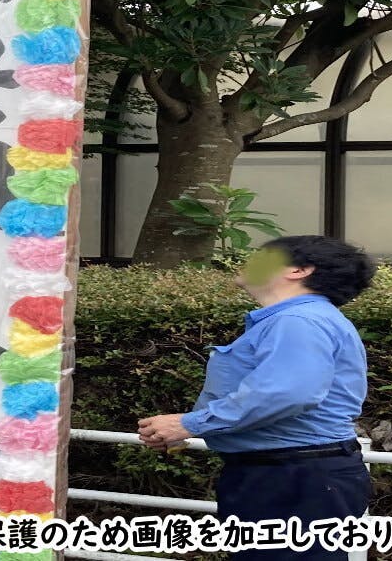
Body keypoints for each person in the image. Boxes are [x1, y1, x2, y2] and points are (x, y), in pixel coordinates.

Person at [138, 235, 377, 559]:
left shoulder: (297, 320)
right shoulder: (300, 319)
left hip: (292, 476)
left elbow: (287, 393)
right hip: (292, 473)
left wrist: (190, 424)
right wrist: (192, 427)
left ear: (299, 270)